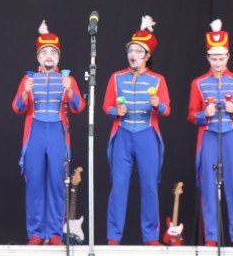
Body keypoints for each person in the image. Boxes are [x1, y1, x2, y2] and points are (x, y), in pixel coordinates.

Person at [12, 21, 86, 246]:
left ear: (58, 56)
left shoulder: (68, 79)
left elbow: (79, 107)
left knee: (56, 183)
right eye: (44, 51)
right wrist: (24, 94)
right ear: (38, 57)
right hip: (34, 131)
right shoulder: (28, 79)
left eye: (53, 52)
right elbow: (16, 108)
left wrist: (70, 90)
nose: (49, 55)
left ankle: (54, 232)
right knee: (34, 183)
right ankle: (35, 233)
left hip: (57, 133)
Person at [102, 15, 171, 246]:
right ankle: (114, 236)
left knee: (149, 185)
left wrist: (157, 105)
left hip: (146, 134)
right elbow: (106, 106)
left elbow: (167, 109)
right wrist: (115, 111)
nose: (133, 55)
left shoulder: (158, 80)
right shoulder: (116, 78)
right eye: (131, 50)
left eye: (139, 51)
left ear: (147, 56)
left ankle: (151, 236)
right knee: (118, 185)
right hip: (122, 134)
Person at [187, 19, 233, 248]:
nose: (218, 62)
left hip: (232, 135)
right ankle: (211, 238)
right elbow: (191, 115)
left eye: (221, 58)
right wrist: (203, 114)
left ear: (228, 57)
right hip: (208, 136)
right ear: (207, 58)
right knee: (208, 188)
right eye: (213, 58)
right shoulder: (198, 83)